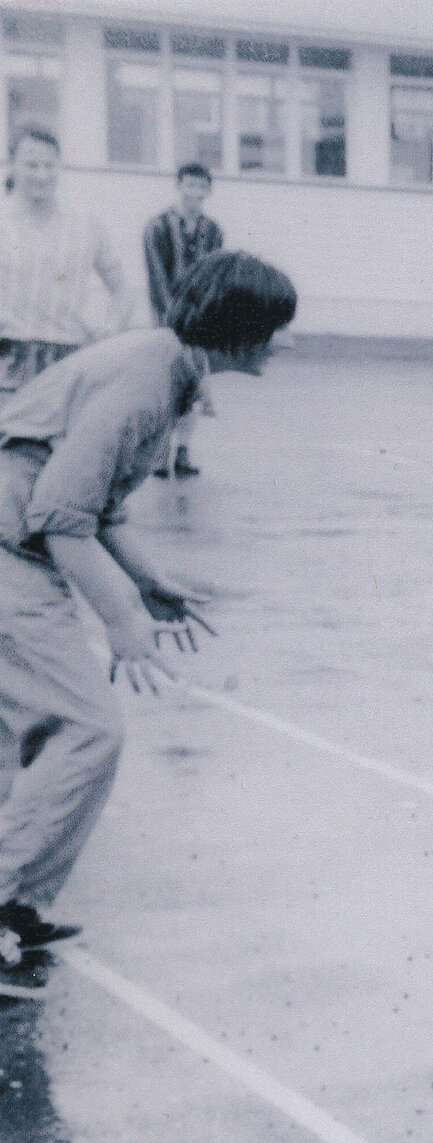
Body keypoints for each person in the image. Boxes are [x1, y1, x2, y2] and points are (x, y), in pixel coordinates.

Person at [0, 252, 295, 981]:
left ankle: (16, 905)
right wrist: (121, 620)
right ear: (241, 330)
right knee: (87, 725)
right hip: (11, 552)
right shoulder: (146, 376)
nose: (285, 342)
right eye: (277, 328)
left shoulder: (167, 367)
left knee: (32, 732)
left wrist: (150, 579)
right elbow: (61, 515)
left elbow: (95, 504)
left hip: (18, 543)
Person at [0, 128, 137, 398]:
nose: (41, 175)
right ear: (12, 164)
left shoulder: (85, 226)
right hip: (6, 356)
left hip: (66, 358)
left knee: (63, 441)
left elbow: (123, 290)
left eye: (49, 165)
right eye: (31, 165)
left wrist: (110, 326)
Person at [142, 162, 224, 479]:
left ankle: (183, 452)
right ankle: (160, 453)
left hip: (199, 319)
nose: (195, 193)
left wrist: (205, 314)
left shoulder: (213, 231)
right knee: (166, 383)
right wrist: (171, 319)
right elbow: (157, 277)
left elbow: (214, 276)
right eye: (189, 185)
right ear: (179, 186)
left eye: (201, 187)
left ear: (208, 191)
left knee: (194, 384)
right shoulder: (158, 227)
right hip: (167, 319)